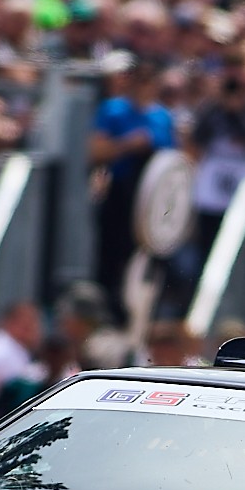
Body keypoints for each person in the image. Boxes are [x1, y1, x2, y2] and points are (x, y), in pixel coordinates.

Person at [88, 59, 175, 315]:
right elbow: (96, 150)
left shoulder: (162, 117)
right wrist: (128, 144)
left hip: (151, 196)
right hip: (120, 190)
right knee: (111, 251)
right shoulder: (113, 110)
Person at [191, 70, 245, 258]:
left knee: (243, 245)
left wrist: (240, 113)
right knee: (209, 242)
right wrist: (216, 103)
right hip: (213, 187)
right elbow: (197, 136)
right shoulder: (214, 110)